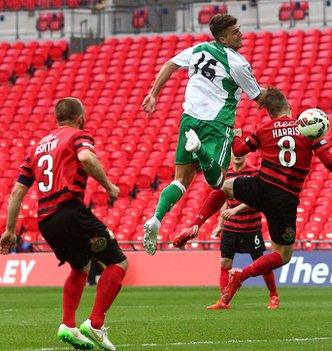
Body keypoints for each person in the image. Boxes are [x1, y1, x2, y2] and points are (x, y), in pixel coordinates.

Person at [173, 87, 332, 306]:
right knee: (282, 256)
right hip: (285, 199)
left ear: (269, 114)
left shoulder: (264, 128)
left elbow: (240, 150)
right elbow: (329, 162)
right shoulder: (306, 129)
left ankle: (196, 224)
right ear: (289, 106)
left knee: (225, 187)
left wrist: (235, 136)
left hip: (261, 186)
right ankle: (241, 276)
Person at [0, 97, 127, 351]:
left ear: (56, 118)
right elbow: (87, 159)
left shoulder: (37, 148)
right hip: (69, 209)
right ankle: (95, 324)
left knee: (80, 267)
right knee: (118, 262)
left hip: (45, 220)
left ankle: (67, 325)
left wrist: (10, 230)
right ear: (81, 116)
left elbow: (16, 192)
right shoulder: (78, 135)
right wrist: (109, 186)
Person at [141, 14, 264, 256]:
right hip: (217, 122)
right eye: (235, 31)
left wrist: (153, 94)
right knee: (218, 181)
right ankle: (200, 150)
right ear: (222, 37)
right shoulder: (237, 64)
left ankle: (156, 218)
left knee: (181, 180)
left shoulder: (198, 49)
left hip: (189, 119)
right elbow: (259, 97)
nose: (240, 33)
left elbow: (169, 64)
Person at [176, 153, 280, 310]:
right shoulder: (227, 174)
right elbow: (223, 200)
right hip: (231, 227)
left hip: (251, 226)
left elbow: (258, 197)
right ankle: (224, 300)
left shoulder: (253, 172)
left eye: (241, 153)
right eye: (234, 153)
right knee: (225, 262)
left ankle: (273, 295)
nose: (237, 156)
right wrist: (220, 224)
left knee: (261, 263)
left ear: (246, 154)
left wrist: (236, 209)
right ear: (230, 155)